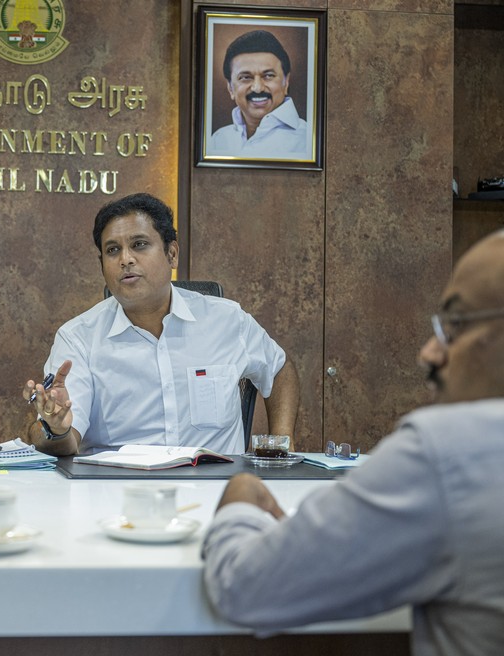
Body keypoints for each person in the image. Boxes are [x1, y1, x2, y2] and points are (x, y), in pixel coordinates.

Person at [202, 230, 504, 655]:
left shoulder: (447, 454)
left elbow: (246, 586)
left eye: (454, 326)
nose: (430, 353)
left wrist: (238, 499)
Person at [21, 193, 299, 456]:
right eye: (113, 250)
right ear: (102, 265)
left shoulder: (226, 320)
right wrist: (55, 429)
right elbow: (67, 441)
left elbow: (278, 369)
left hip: (216, 491)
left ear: (172, 254)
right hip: (116, 495)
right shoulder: (78, 339)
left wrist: (283, 442)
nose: (126, 259)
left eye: (139, 244)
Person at [210, 30, 309, 158]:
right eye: (245, 77)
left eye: (268, 76)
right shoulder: (218, 140)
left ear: (286, 82)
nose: (257, 88)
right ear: (230, 88)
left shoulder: (307, 140)